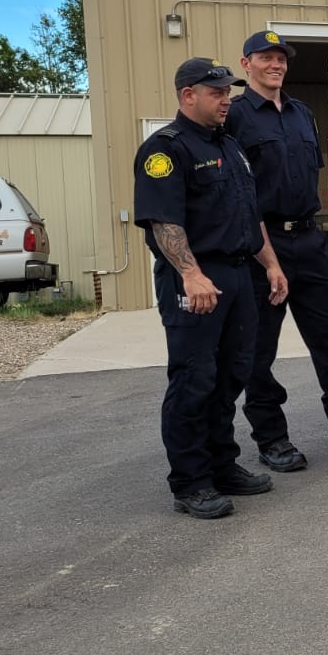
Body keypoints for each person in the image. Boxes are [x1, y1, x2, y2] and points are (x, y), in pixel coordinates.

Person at [133, 58, 289, 519]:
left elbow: (248, 214)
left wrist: (272, 264)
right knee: (194, 379)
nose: (226, 100)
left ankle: (223, 466)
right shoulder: (166, 149)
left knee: (231, 375)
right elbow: (164, 220)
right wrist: (191, 274)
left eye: (227, 92)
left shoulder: (231, 146)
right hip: (198, 279)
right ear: (188, 95)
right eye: (217, 93)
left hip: (240, 274)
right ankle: (190, 481)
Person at [226, 30, 328, 473]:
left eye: (281, 58)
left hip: (307, 241)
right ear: (246, 63)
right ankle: (272, 440)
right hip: (261, 246)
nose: (276, 64)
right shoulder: (235, 117)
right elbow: (240, 196)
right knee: (259, 352)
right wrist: (267, 258)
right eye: (266, 58)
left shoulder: (299, 114)